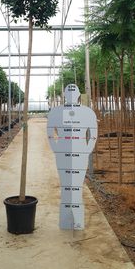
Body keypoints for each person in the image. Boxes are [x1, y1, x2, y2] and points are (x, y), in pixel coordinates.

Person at [47, 83, 97, 229]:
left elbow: (93, 134)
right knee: (66, 185)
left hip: (81, 151)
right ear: (64, 95)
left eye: (73, 93)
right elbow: (50, 133)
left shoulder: (88, 113)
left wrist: (87, 150)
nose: (70, 96)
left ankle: (77, 220)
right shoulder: (55, 112)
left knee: (77, 186)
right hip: (62, 151)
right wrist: (56, 149)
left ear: (79, 95)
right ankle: (65, 220)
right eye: (68, 93)